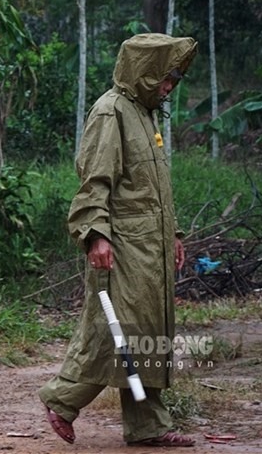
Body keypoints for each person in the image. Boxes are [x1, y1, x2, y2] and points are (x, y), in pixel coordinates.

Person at [38, 33, 198, 448]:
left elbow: (151, 187)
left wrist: (173, 234)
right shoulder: (111, 112)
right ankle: (62, 398)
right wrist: (96, 236)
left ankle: (148, 424)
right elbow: (94, 182)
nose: (169, 87)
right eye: (165, 78)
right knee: (112, 332)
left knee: (147, 332)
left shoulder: (144, 114)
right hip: (122, 246)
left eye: (174, 79)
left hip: (150, 247)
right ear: (144, 73)